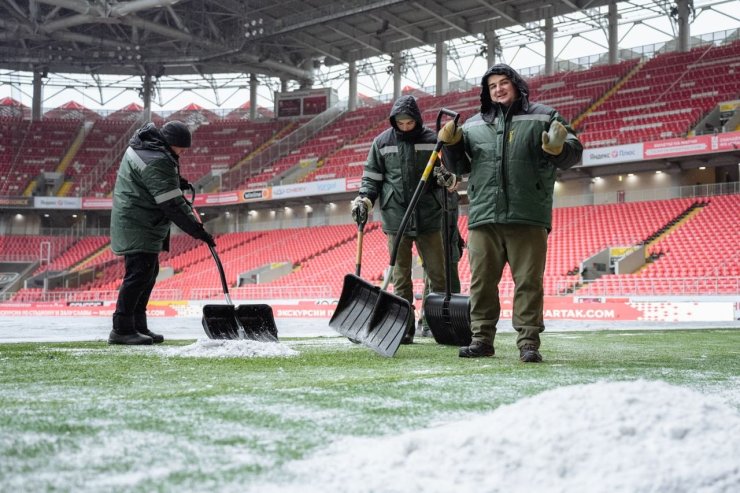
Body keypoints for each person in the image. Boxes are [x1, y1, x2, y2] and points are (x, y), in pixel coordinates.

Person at [437, 64, 583, 362]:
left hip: (527, 214)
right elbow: (459, 167)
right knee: (481, 282)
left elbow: (574, 150)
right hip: (483, 216)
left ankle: (528, 343)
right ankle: (481, 340)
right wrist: (451, 146)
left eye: (504, 83)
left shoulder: (544, 116)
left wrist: (558, 150)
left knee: (528, 282)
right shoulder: (474, 125)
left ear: (517, 85)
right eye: (492, 86)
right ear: (486, 92)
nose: (499, 89)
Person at [351, 95, 447, 344]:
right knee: (400, 275)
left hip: (428, 215)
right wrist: (365, 200)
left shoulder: (432, 141)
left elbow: (444, 172)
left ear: (417, 119)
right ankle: (404, 325)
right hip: (396, 217)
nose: (405, 127)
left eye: (409, 122)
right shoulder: (381, 142)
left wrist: (446, 178)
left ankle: (433, 321)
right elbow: (371, 178)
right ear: (394, 121)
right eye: (400, 123)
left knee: (437, 273)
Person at [109, 121, 215, 345]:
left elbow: (153, 182)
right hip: (138, 222)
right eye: (181, 148)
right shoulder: (157, 159)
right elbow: (173, 205)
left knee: (148, 272)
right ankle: (121, 329)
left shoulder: (150, 149)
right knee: (138, 275)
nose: (183, 153)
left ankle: (138, 325)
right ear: (171, 144)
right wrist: (198, 231)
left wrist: (175, 181)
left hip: (142, 220)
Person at [419, 189, 465, 337]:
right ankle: (428, 324)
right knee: (433, 285)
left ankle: (452, 322)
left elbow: (452, 221)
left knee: (454, 286)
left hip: (451, 247)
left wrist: (457, 238)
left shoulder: (453, 196)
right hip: (435, 247)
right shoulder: (434, 193)